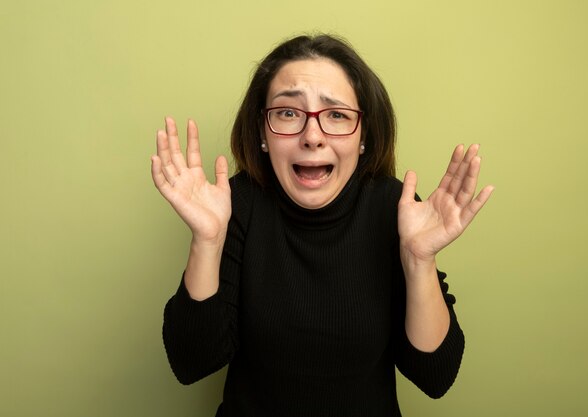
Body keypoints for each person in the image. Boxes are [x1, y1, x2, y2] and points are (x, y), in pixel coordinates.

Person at [151, 34, 494, 417]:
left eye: (336, 115)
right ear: (262, 133)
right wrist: (207, 241)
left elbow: (435, 377)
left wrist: (418, 261)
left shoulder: (393, 209)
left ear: (363, 136)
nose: (312, 136)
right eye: (287, 113)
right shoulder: (235, 204)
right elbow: (191, 363)